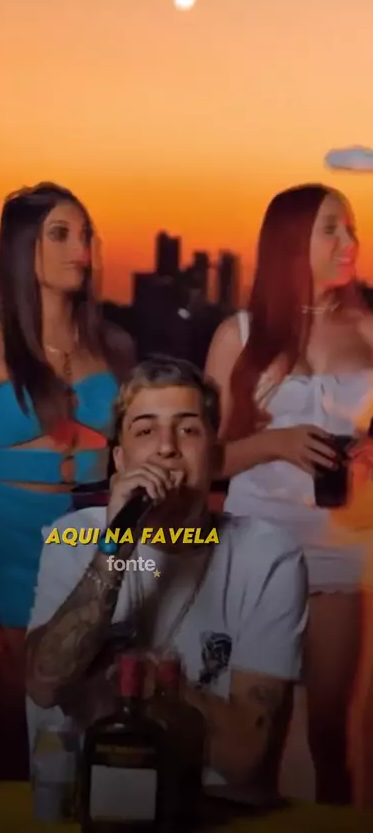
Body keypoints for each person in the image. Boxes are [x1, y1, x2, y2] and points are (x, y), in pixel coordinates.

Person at [26, 357, 308, 799]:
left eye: (188, 429)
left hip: (207, 809)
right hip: (86, 804)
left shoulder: (268, 556)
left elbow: (244, 756)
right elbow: (45, 685)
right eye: (145, 431)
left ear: (215, 456)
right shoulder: (73, 538)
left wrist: (147, 679)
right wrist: (116, 544)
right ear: (119, 461)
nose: (166, 448)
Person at [0, 182, 135, 779]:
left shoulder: (117, 350)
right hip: (1, 569)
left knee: (86, 750)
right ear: (25, 249)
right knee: (8, 760)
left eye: (86, 235)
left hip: (85, 555)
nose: (81, 249)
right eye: (61, 234)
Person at [204, 183, 373, 804]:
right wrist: (276, 444)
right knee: (253, 732)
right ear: (290, 243)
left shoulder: (370, 330)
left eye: (351, 228)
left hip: (341, 548)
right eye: (331, 229)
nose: (349, 242)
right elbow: (203, 460)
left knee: (333, 733)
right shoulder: (239, 336)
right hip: (256, 546)